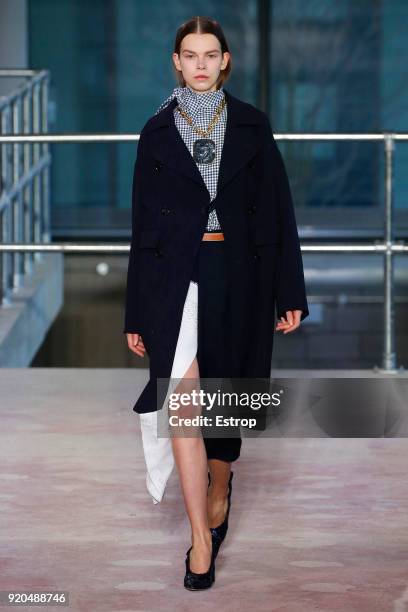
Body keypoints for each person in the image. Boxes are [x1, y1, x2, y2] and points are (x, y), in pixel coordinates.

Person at [124, 16, 309, 590]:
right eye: (190, 54)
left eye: (210, 54)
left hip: (240, 272)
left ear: (225, 61)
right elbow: (142, 225)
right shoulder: (156, 132)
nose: (200, 63)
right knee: (182, 396)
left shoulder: (253, 126)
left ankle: (221, 482)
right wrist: (136, 312)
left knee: (226, 395)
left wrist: (290, 291)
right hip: (174, 275)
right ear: (176, 62)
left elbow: (279, 210)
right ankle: (200, 540)